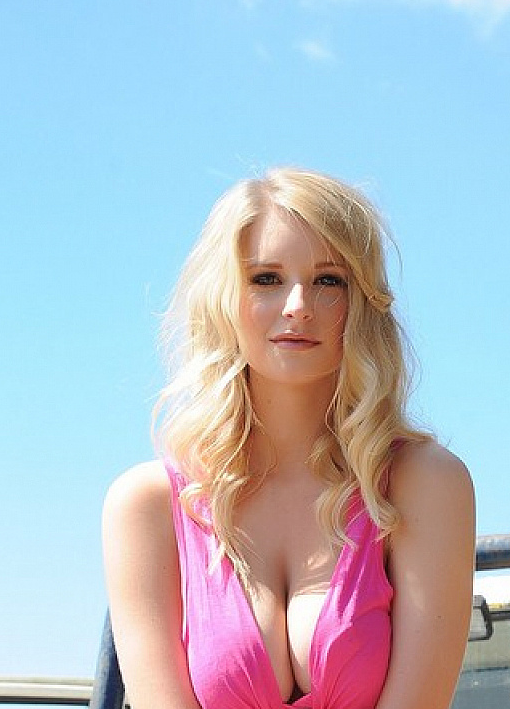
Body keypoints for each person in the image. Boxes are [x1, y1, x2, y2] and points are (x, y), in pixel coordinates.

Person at [103, 167, 475, 709]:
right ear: (225, 299)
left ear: (361, 303)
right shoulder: (148, 506)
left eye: (328, 280)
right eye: (266, 279)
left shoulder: (424, 484)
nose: (297, 304)